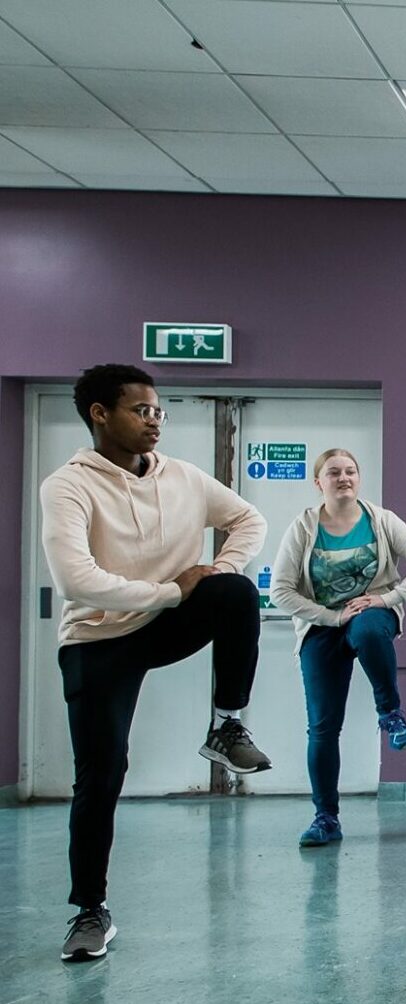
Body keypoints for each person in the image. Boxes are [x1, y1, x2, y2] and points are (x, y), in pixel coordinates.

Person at [42, 363, 272, 962]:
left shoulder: (185, 478)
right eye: (140, 411)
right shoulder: (68, 486)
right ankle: (90, 911)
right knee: (101, 774)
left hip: (167, 624)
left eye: (158, 412)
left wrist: (216, 571)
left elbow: (249, 519)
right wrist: (173, 590)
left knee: (236, 592)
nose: (154, 422)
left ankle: (227, 725)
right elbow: (76, 581)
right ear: (100, 414)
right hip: (98, 638)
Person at [268, 448, 406, 847]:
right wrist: (330, 617)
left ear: (359, 478)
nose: (344, 477)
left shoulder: (381, 520)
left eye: (351, 471)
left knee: (367, 629)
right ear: (319, 482)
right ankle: (325, 818)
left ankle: (390, 712)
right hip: (322, 626)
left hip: (370, 614)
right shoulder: (303, 528)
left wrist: (386, 598)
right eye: (334, 472)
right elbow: (279, 590)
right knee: (322, 727)